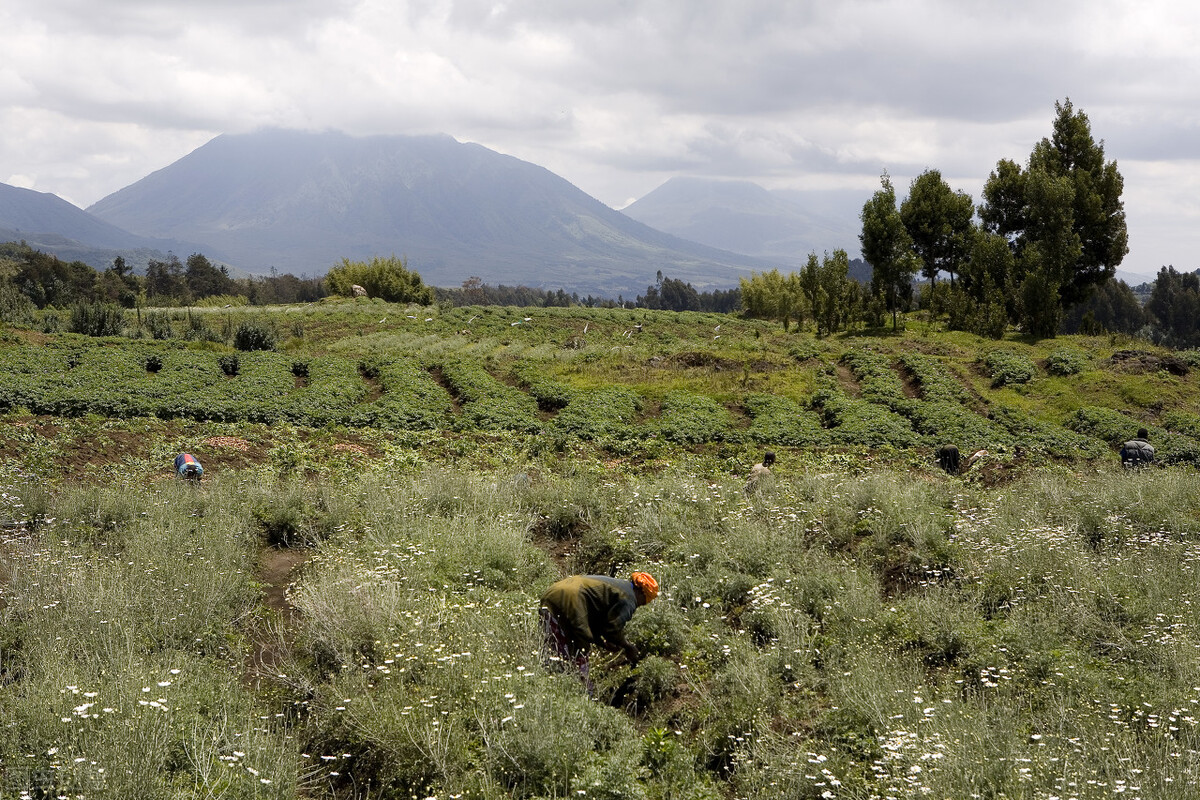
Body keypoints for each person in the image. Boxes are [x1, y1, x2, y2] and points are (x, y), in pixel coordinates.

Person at [539, 571, 659, 694]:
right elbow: (613, 628)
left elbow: (596, 621)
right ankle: (582, 693)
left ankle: (548, 683)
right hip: (571, 599)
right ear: (641, 593)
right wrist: (627, 647)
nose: (639, 605)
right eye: (643, 602)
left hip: (552, 595)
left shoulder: (619, 586)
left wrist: (603, 643)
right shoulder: (629, 598)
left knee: (553, 648)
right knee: (579, 647)